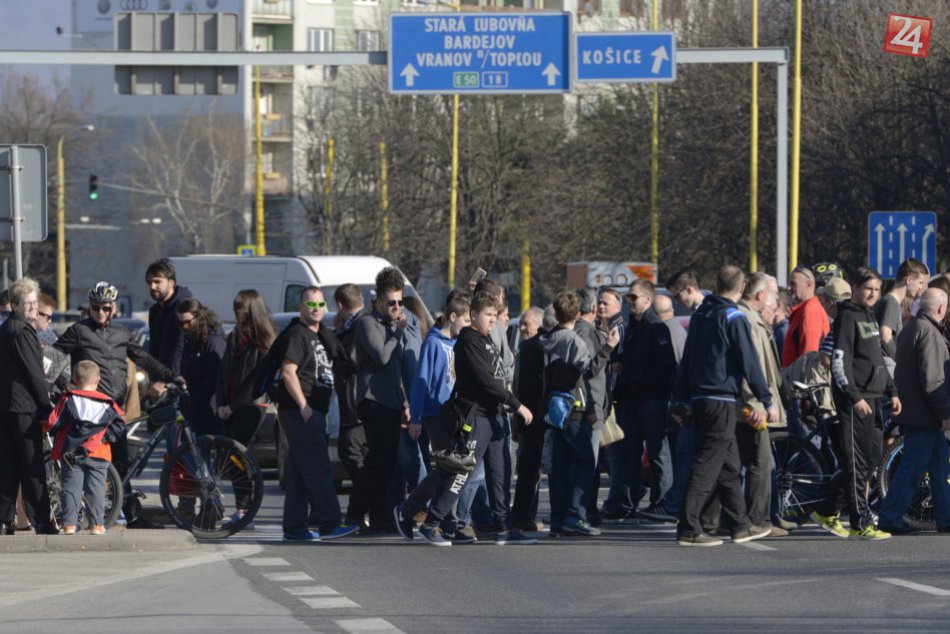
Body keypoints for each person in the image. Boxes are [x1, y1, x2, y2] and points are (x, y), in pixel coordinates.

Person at [409, 291, 536, 546]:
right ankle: (432, 522)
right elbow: (485, 380)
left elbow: (499, 375)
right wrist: (516, 404)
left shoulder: (487, 339)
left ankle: (503, 525)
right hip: (475, 417)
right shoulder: (468, 341)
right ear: (474, 315)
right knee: (462, 471)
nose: (492, 319)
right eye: (487, 314)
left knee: (499, 472)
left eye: (494, 314)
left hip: (495, 415)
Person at [55, 282, 176, 528]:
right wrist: (66, 384)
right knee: (88, 464)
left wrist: (171, 375)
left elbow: (143, 358)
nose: (100, 313)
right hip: (89, 412)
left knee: (120, 462)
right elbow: (54, 357)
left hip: (114, 409)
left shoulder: (123, 332)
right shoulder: (79, 331)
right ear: (89, 308)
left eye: (105, 308)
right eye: (96, 308)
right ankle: (83, 517)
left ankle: (128, 514)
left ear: (114, 308)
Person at [673, 265, 777, 547]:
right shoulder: (734, 317)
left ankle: (740, 526)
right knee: (707, 465)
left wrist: (680, 399)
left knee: (729, 466)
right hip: (721, 400)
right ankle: (689, 528)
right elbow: (749, 362)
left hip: (701, 400)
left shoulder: (701, 315)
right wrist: (766, 399)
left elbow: (687, 361)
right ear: (742, 288)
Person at [812, 267, 901, 540]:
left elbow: (877, 360)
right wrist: (854, 397)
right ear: (856, 287)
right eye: (868, 288)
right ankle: (860, 523)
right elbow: (839, 362)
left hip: (875, 398)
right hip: (856, 402)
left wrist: (893, 391)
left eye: (877, 289)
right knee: (856, 463)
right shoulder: (848, 317)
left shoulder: (870, 316)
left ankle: (828, 510)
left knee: (873, 459)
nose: (873, 293)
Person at [275, 286, 358, 541]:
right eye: (311, 305)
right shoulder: (297, 335)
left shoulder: (320, 334)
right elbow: (289, 371)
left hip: (313, 410)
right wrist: (303, 405)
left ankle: (295, 527)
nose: (317, 309)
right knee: (320, 469)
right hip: (300, 412)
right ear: (301, 307)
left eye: (321, 305)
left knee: (300, 472)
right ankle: (330, 524)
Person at [395, 291, 472, 543]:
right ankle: (417, 515)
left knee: (445, 470)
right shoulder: (433, 342)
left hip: (452, 416)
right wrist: (416, 417)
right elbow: (422, 381)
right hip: (433, 413)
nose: (468, 325)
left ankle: (428, 517)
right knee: (447, 468)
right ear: (452, 317)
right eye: (466, 320)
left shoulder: (455, 344)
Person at [878, 288, 950, 534]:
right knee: (912, 469)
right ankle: (890, 516)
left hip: (917, 412)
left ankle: (946, 517)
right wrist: (945, 413)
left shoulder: (911, 327)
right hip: (925, 416)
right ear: (941, 309)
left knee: (940, 469)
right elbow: (932, 380)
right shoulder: (929, 333)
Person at [543, 291, 612, 536]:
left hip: (555, 408)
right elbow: (590, 370)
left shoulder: (550, 339)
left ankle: (558, 520)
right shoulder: (573, 340)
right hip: (575, 407)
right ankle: (575, 514)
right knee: (585, 462)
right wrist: (607, 349)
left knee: (561, 467)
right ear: (577, 313)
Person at [350, 267, 410, 533]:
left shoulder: (392, 325)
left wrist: (406, 403)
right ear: (378, 302)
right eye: (391, 303)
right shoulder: (367, 323)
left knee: (388, 464)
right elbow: (381, 356)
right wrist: (397, 332)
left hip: (393, 402)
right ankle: (353, 514)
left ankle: (380, 518)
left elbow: (397, 369)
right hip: (374, 401)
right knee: (376, 462)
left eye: (400, 302)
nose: (397, 307)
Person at [0, 277, 57, 535]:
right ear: (15, 305)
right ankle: (43, 520)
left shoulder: (4, 329)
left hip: (5, 406)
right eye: (28, 303)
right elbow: (34, 373)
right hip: (24, 408)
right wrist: (46, 405)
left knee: (8, 465)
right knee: (33, 467)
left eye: (35, 302)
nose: (34, 308)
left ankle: (3, 520)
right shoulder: (23, 332)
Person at [215, 290, 276, 528]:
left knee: (236, 455)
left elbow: (255, 381)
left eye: (240, 306)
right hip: (229, 406)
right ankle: (242, 507)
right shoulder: (234, 336)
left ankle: (244, 509)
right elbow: (223, 372)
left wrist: (232, 406)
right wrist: (220, 403)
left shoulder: (263, 340)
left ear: (252, 309)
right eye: (235, 306)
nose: (237, 311)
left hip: (251, 406)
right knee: (232, 457)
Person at [43, 360, 125, 535]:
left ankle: (69, 525)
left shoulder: (69, 399)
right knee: (95, 488)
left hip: (71, 452)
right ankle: (96, 525)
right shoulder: (108, 403)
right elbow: (119, 426)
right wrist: (105, 438)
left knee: (71, 487)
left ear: (74, 379)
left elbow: (53, 422)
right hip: (99, 452)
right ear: (97, 380)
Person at [606, 278, 660, 521]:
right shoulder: (632, 327)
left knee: (657, 454)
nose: (630, 302)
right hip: (630, 401)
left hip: (651, 400)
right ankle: (627, 503)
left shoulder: (656, 327)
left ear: (648, 300)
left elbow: (664, 366)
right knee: (629, 456)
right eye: (628, 297)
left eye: (633, 298)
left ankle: (660, 503)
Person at [636, 294, 687, 523]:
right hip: (673, 400)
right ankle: (666, 500)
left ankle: (666, 502)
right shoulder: (680, 331)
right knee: (670, 453)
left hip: (663, 400)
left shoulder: (661, 332)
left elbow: (671, 368)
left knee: (661, 453)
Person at [332, 283, 370, 528]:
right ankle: (360, 511)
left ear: (340, 305)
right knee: (360, 457)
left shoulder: (359, 325)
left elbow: (349, 362)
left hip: (356, 403)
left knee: (352, 453)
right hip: (359, 403)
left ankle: (363, 506)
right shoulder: (360, 322)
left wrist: (335, 338)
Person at [511, 306, 547, 532]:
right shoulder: (529, 347)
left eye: (526, 324)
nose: (522, 328)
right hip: (531, 418)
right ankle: (523, 516)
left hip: (533, 416)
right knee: (529, 470)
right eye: (521, 324)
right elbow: (520, 388)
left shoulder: (534, 348)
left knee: (530, 470)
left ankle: (525, 516)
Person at [176, 299, 227, 437]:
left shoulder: (213, 339)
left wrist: (196, 398)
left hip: (209, 406)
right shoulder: (191, 337)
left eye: (187, 322)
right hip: (194, 404)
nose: (184, 327)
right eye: (181, 323)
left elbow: (215, 375)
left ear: (198, 317)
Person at [877, 258, 929, 375]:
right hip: (888, 365)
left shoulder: (890, 302)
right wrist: (902, 361)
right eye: (920, 283)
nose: (921, 288)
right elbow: (885, 336)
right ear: (909, 279)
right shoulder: (890, 302)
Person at [145, 258, 192, 389]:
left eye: (157, 282)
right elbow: (154, 348)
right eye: (149, 282)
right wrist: (154, 378)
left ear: (171, 283)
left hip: (182, 380)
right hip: (162, 379)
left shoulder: (184, 307)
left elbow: (180, 345)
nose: (152, 286)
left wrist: (170, 381)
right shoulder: (155, 311)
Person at [782, 266, 830, 367]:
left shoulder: (810, 311)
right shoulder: (805, 309)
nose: (788, 288)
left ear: (809, 285)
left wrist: (801, 380)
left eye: (793, 284)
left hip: (801, 379)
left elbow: (808, 357)